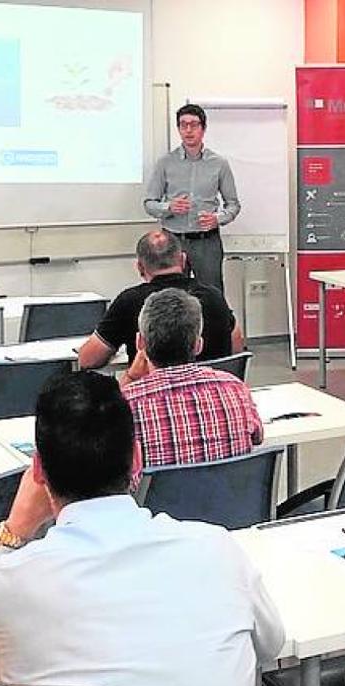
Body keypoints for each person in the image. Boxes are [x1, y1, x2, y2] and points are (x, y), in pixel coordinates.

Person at [0, 371, 285, 686]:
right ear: (137, 458)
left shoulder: (6, 584)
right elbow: (271, 644)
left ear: (38, 471)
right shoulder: (217, 547)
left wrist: (13, 533)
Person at [121, 289, 263, 468]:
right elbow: (257, 436)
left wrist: (130, 377)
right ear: (198, 345)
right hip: (231, 487)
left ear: (140, 342)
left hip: (162, 488)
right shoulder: (236, 388)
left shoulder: (127, 405)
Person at [77, 230, 244, 370]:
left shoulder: (128, 302)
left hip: (154, 396)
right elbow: (236, 346)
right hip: (211, 394)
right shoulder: (214, 296)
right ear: (183, 260)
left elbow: (88, 360)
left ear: (140, 267)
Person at [143, 104, 241, 295]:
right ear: (178, 129)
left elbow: (233, 205)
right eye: (183, 125)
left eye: (194, 125)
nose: (188, 130)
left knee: (212, 295)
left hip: (206, 241)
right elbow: (149, 203)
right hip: (172, 241)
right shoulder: (165, 163)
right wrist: (169, 207)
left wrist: (217, 218)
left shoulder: (219, 163)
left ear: (203, 129)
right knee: (171, 295)